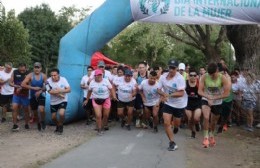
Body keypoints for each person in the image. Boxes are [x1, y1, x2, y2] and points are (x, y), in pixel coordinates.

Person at [157, 59, 188, 151]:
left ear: (177, 69)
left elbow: (181, 93)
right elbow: (158, 89)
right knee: (166, 123)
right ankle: (172, 142)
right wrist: (163, 95)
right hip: (168, 103)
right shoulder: (163, 77)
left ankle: (176, 127)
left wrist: (168, 95)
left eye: (173, 68)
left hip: (179, 104)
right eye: (170, 67)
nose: (171, 70)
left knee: (176, 123)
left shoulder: (180, 78)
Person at [198, 62, 230, 148]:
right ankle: (205, 137)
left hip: (217, 101)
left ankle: (211, 135)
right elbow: (200, 91)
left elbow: (227, 94)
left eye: (213, 74)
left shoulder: (223, 78)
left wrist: (214, 98)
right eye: (210, 74)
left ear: (217, 71)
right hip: (206, 99)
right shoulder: (204, 76)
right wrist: (208, 96)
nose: (211, 76)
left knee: (213, 122)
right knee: (206, 117)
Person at [84, 69, 117, 135]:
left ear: (102, 75)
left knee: (106, 115)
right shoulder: (92, 83)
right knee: (98, 115)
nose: (99, 77)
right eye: (97, 75)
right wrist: (87, 99)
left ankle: (102, 126)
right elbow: (89, 91)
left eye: (100, 75)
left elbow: (111, 89)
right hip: (96, 100)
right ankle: (99, 129)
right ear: (95, 76)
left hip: (106, 99)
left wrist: (113, 96)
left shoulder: (106, 81)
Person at [21, 62, 47, 131]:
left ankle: (43, 121)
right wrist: (33, 88)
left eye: (38, 68)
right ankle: (38, 122)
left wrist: (40, 91)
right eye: (35, 67)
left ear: (41, 68)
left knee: (41, 109)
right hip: (32, 95)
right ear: (33, 68)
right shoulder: (30, 75)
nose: (37, 69)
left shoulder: (44, 76)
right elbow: (22, 84)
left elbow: (47, 86)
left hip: (41, 95)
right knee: (35, 113)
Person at [46, 68, 71, 135]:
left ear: (58, 75)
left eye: (55, 75)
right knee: (53, 117)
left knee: (61, 113)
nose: (53, 77)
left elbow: (69, 90)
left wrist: (61, 90)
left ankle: (60, 126)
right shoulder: (48, 81)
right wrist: (59, 94)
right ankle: (58, 125)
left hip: (63, 100)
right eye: (52, 75)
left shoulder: (63, 79)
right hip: (53, 101)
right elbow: (49, 91)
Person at [9, 63, 30, 131]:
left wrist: (21, 87)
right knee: (14, 108)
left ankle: (26, 123)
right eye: (20, 69)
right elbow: (10, 83)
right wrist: (16, 86)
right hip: (16, 94)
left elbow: (30, 84)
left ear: (25, 68)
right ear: (18, 68)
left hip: (25, 95)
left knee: (26, 109)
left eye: (23, 69)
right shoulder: (15, 72)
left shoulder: (29, 73)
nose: (21, 70)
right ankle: (15, 125)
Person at [185, 68, 202, 138]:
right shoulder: (185, 83)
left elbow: (203, 92)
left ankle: (197, 123)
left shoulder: (199, 83)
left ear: (197, 76)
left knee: (196, 118)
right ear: (189, 76)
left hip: (197, 103)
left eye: (194, 75)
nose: (193, 77)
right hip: (188, 103)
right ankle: (193, 131)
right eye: (191, 75)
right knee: (190, 119)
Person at [134, 61, 149, 128]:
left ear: (145, 68)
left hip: (147, 94)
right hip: (138, 94)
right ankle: (137, 120)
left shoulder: (148, 75)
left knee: (145, 109)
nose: (141, 69)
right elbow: (134, 85)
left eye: (142, 67)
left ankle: (143, 121)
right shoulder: (136, 75)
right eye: (140, 68)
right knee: (138, 109)